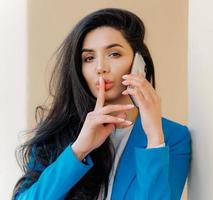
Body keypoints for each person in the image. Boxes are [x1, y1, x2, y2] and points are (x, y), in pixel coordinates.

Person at [12, 8, 191, 200]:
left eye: (114, 54)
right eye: (89, 58)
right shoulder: (57, 135)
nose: (100, 68)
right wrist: (79, 149)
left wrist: (154, 137)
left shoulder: (173, 137)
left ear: (139, 63)